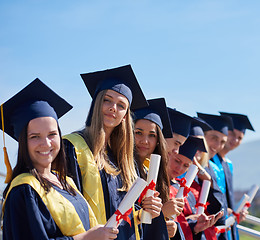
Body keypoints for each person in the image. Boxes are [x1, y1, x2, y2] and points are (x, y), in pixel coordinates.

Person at [1, 78, 118, 240]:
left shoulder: (66, 182)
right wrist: (87, 238)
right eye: (35, 136)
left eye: (52, 134)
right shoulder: (24, 190)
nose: (46, 143)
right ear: (23, 142)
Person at [63, 65, 161, 240]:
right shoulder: (73, 147)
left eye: (121, 105)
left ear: (125, 116)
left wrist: (145, 211)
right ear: (96, 103)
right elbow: (68, 207)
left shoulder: (126, 159)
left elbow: (125, 212)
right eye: (107, 100)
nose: (113, 108)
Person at [133, 97, 178, 239]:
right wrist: (161, 213)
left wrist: (167, 226)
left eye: (152, 135)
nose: (145, 141)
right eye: (138, 132)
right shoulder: (118, 170)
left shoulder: (151, 172)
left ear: (158, 141)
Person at [197, 112, 247, 240]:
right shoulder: (193, 166)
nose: (217, 146)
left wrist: (228, 212)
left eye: (221, 141)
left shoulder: (217, 165)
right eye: (214, 138)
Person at [168, 136, 224, 240]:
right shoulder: (158, 185)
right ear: (168, 154)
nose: (179, 168)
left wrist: (195, 226)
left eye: (186, 165)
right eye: (177, 161)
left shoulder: (187, 191)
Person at [218, 112, 255, 240]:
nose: (235, 140)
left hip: (228, 225)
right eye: (232, 134)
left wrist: (236, 212)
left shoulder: (228, 164)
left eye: (240, 138)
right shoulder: (209, 161)